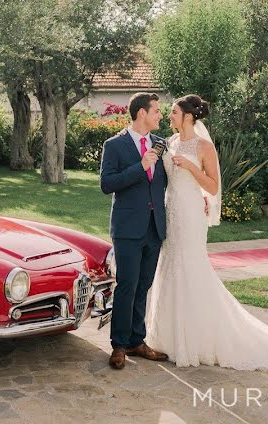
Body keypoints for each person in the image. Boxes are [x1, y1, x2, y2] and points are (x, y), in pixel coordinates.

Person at [143, 94, 268, 370]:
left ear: (188, 116)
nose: (170, 116)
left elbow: (212, 188)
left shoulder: (203, 147)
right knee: (170, 266)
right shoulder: (171, 142)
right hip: (171, 212)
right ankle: (167, 337)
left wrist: (190, 167)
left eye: (174, 112)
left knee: (191, 268)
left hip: (190, 215)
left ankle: (197, 339)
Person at [99, 92, 169, 370]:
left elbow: (166, 182)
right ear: (142, 113)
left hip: (154, 227)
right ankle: (119, 345)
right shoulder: (114, 145)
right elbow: (107, 184)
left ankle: (137, 340)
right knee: (126, 286)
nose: (160, 116)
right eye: (156, 111)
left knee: (144, 285)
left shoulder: (161, 144)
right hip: (128, 228)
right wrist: (140, 167)